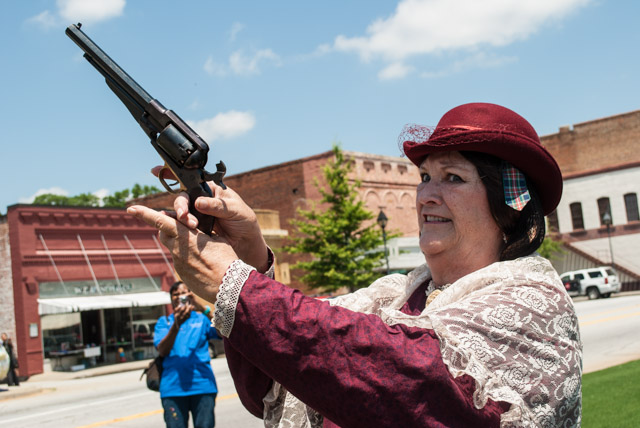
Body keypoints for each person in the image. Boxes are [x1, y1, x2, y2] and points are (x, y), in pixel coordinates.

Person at [129, 102, 582, 427]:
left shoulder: (532, 299)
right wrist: (249, 254)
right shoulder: (391, 295)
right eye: (424, 177)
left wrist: (236, 284)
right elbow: (280, 371)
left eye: (453, 178)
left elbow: (414, 383)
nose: (426, 195)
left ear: (510, 203)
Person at [154, 281, 220, 428]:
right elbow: (163, 350)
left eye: (184, 293)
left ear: (190, 295)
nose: (180, 297)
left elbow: (223, 332)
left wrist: (201, 307)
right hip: (173, 389)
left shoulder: (202, 319)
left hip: (203, 386)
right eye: (175, 294)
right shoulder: (164, 322)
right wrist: (176, 326)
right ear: (171, 299)